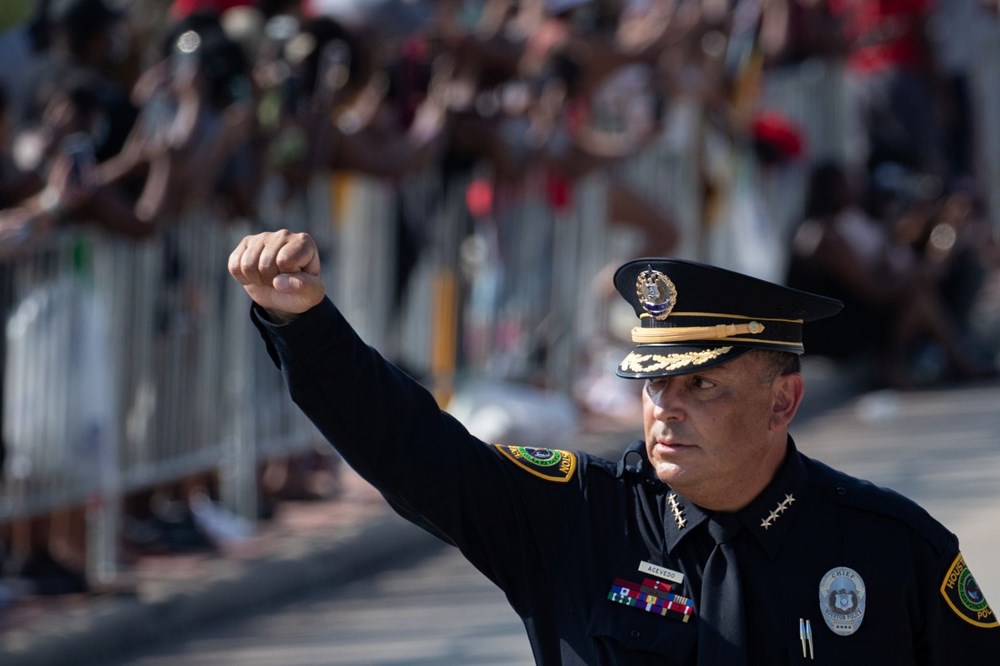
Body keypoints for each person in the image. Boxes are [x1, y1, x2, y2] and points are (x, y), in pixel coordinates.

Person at [229, 230, 999, 663]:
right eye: (655, 384)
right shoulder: (575, 516)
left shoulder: (892, 550)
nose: (667, 409)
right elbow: (408, 446)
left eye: (702, 387)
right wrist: (306, 326)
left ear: (783, 402)